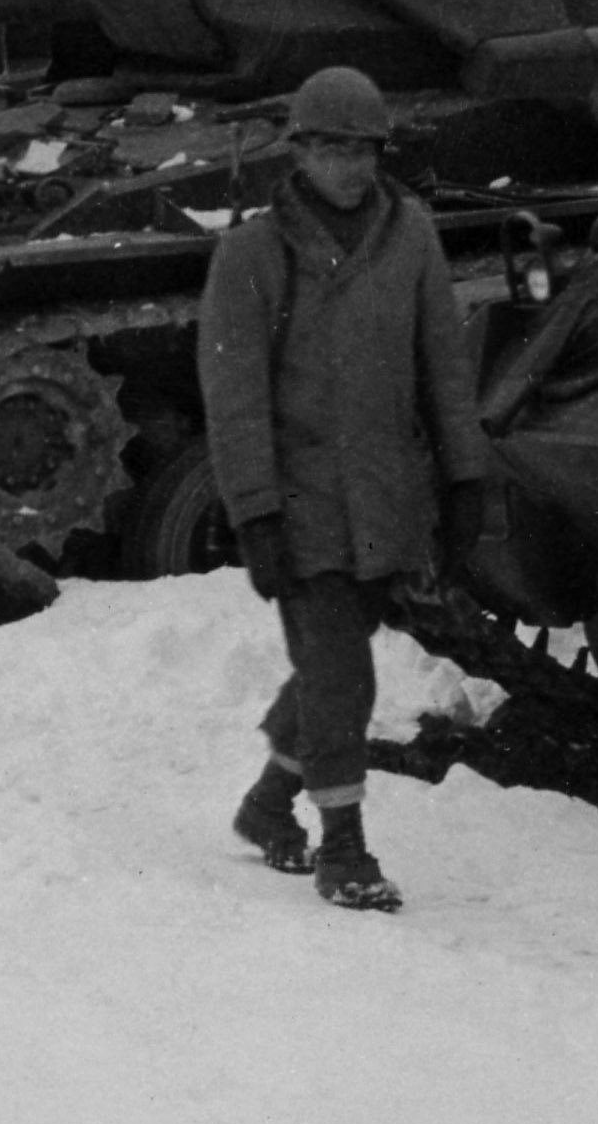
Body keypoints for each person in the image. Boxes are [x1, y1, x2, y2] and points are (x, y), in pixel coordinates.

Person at [195, 64, 492, 915]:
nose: (349, 167)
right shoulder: (252, 253)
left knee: (329, 671)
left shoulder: (411, 236)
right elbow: (235, 397)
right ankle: (345, 848)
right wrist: (254, 512)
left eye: (362, 149)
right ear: (301, 152)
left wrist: (465, 476)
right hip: (301, 502)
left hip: (384, 499)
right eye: (330, 148)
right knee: (342, 673)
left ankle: (264, 808)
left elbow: (443, 364)